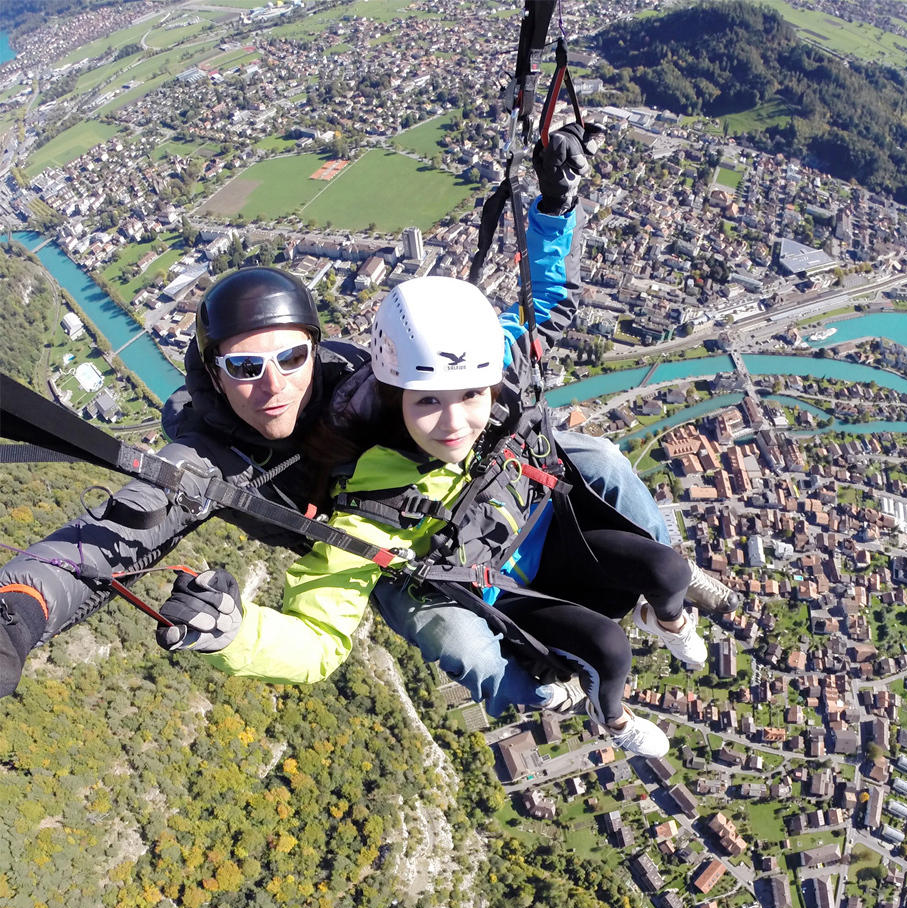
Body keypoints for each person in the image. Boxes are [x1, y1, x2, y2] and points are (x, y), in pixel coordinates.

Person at [0, 125, 735, 707]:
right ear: (216, 373)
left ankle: (670, 579)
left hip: (460, 491)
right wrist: (19, 615)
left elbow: (519, 329)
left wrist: (552, 211)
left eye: (290, 359)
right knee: (470, 651)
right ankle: (544, 690)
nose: (273, 386)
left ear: (317, 352)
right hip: (381, 552)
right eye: (245, 368)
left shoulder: (378, 376)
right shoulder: (212, 458)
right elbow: (101, 542)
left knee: (598, 460)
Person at [157, 275, 718, 758]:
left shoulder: (482, 368)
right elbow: (319, 637)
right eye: (428, 400)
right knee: (470, 643)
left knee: (618, 483)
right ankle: (569, 703)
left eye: (470, 395)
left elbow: (546, 300)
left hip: (527, 522)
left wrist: (553, 201)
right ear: (395, 393)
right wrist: (234, 632)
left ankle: (664, 613)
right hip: (464, 572)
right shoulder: (371, 500)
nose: (453, 422)